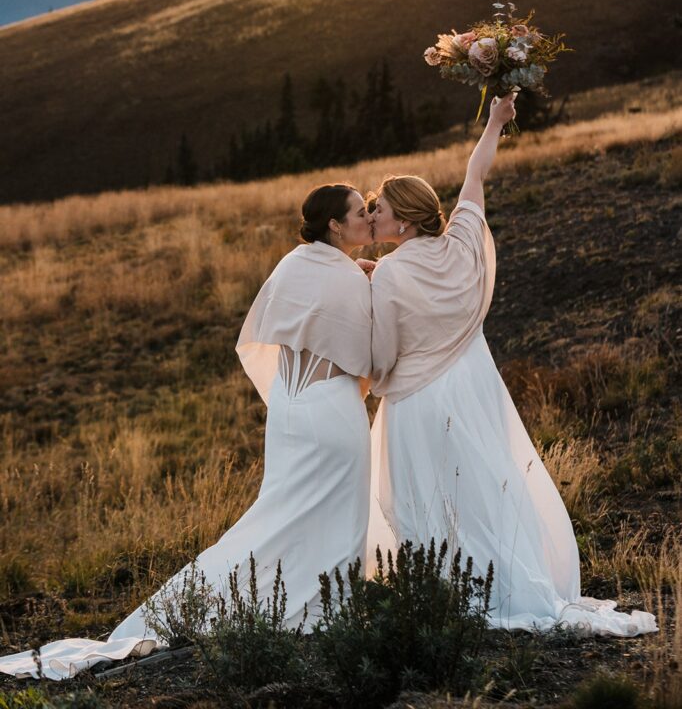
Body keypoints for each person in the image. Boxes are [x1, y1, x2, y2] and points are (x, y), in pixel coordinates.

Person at [0, 183, 374, 681]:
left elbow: (267, 338)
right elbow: (372, 355)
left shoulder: (293, 265)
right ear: (335, 224)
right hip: (331, 410)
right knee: (336, 512)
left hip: (288, 410)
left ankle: (255, 600)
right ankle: (324, 608)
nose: (368, 217)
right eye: (361, 212)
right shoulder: (351, 278)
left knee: (279, 513)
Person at [365, 94, 657, 636]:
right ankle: (497, 580)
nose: (370, 211)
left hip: (419, 401)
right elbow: (477, 173)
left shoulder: (387, 276)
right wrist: (497, 119)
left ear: (401, 219)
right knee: (486, 483)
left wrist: (372, 382)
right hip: (476, 386)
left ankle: (449, 591)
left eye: (377, 206)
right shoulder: (460, 242)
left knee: (428, 498)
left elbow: (382, 357)